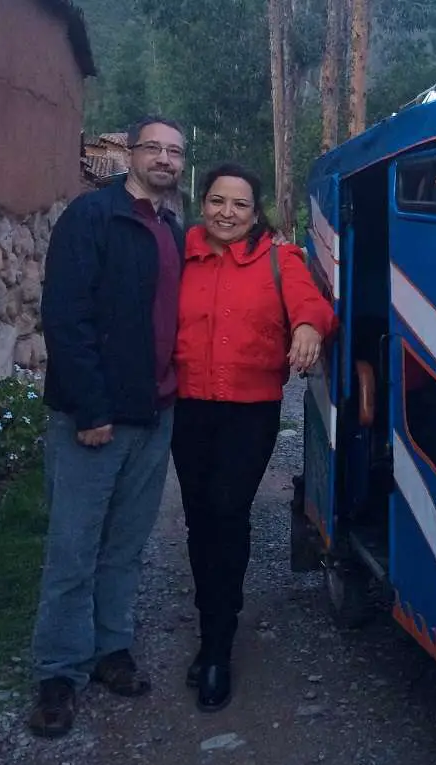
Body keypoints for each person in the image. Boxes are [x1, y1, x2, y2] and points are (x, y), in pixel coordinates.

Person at [29, 116, 188, 738]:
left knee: (125, 545)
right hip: (95, 420)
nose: (166, 159)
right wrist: (91, 408)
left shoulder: (171, 229)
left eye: (176, 152)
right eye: (154, 147)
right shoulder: (91, 217)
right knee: (73, 548)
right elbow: (65, 316)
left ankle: (110, 649)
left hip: (155, 415)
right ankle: (58, 673)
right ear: (130, 154)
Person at [173, 163, 336, 712]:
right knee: (200, 520)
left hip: (250, 411)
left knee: (227, 509)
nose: (227, 213)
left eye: (239, 205)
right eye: (217, 201)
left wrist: (309, 327)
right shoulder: (181, 253)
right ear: (203, 202)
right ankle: (210, 631)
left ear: (255, 210)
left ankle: (219, 646)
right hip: (189, 408)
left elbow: (312, 304)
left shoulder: (277, 256)